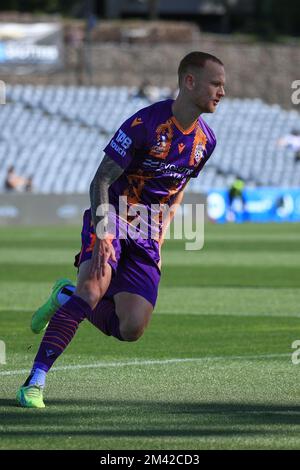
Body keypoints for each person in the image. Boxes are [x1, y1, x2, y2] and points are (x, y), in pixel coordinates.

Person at [16, 51, 226, 408]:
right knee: (93, 291)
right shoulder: (144, 124)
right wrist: (102, 237)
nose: (222, 91)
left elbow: (179, 187)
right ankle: (34, 381)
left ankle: (63, 296)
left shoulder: (206, 141)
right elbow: (100, 179)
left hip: (147, 231)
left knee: (131, 328)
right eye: (216, 83)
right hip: (111, 215)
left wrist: (160, 237)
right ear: (189, 82)